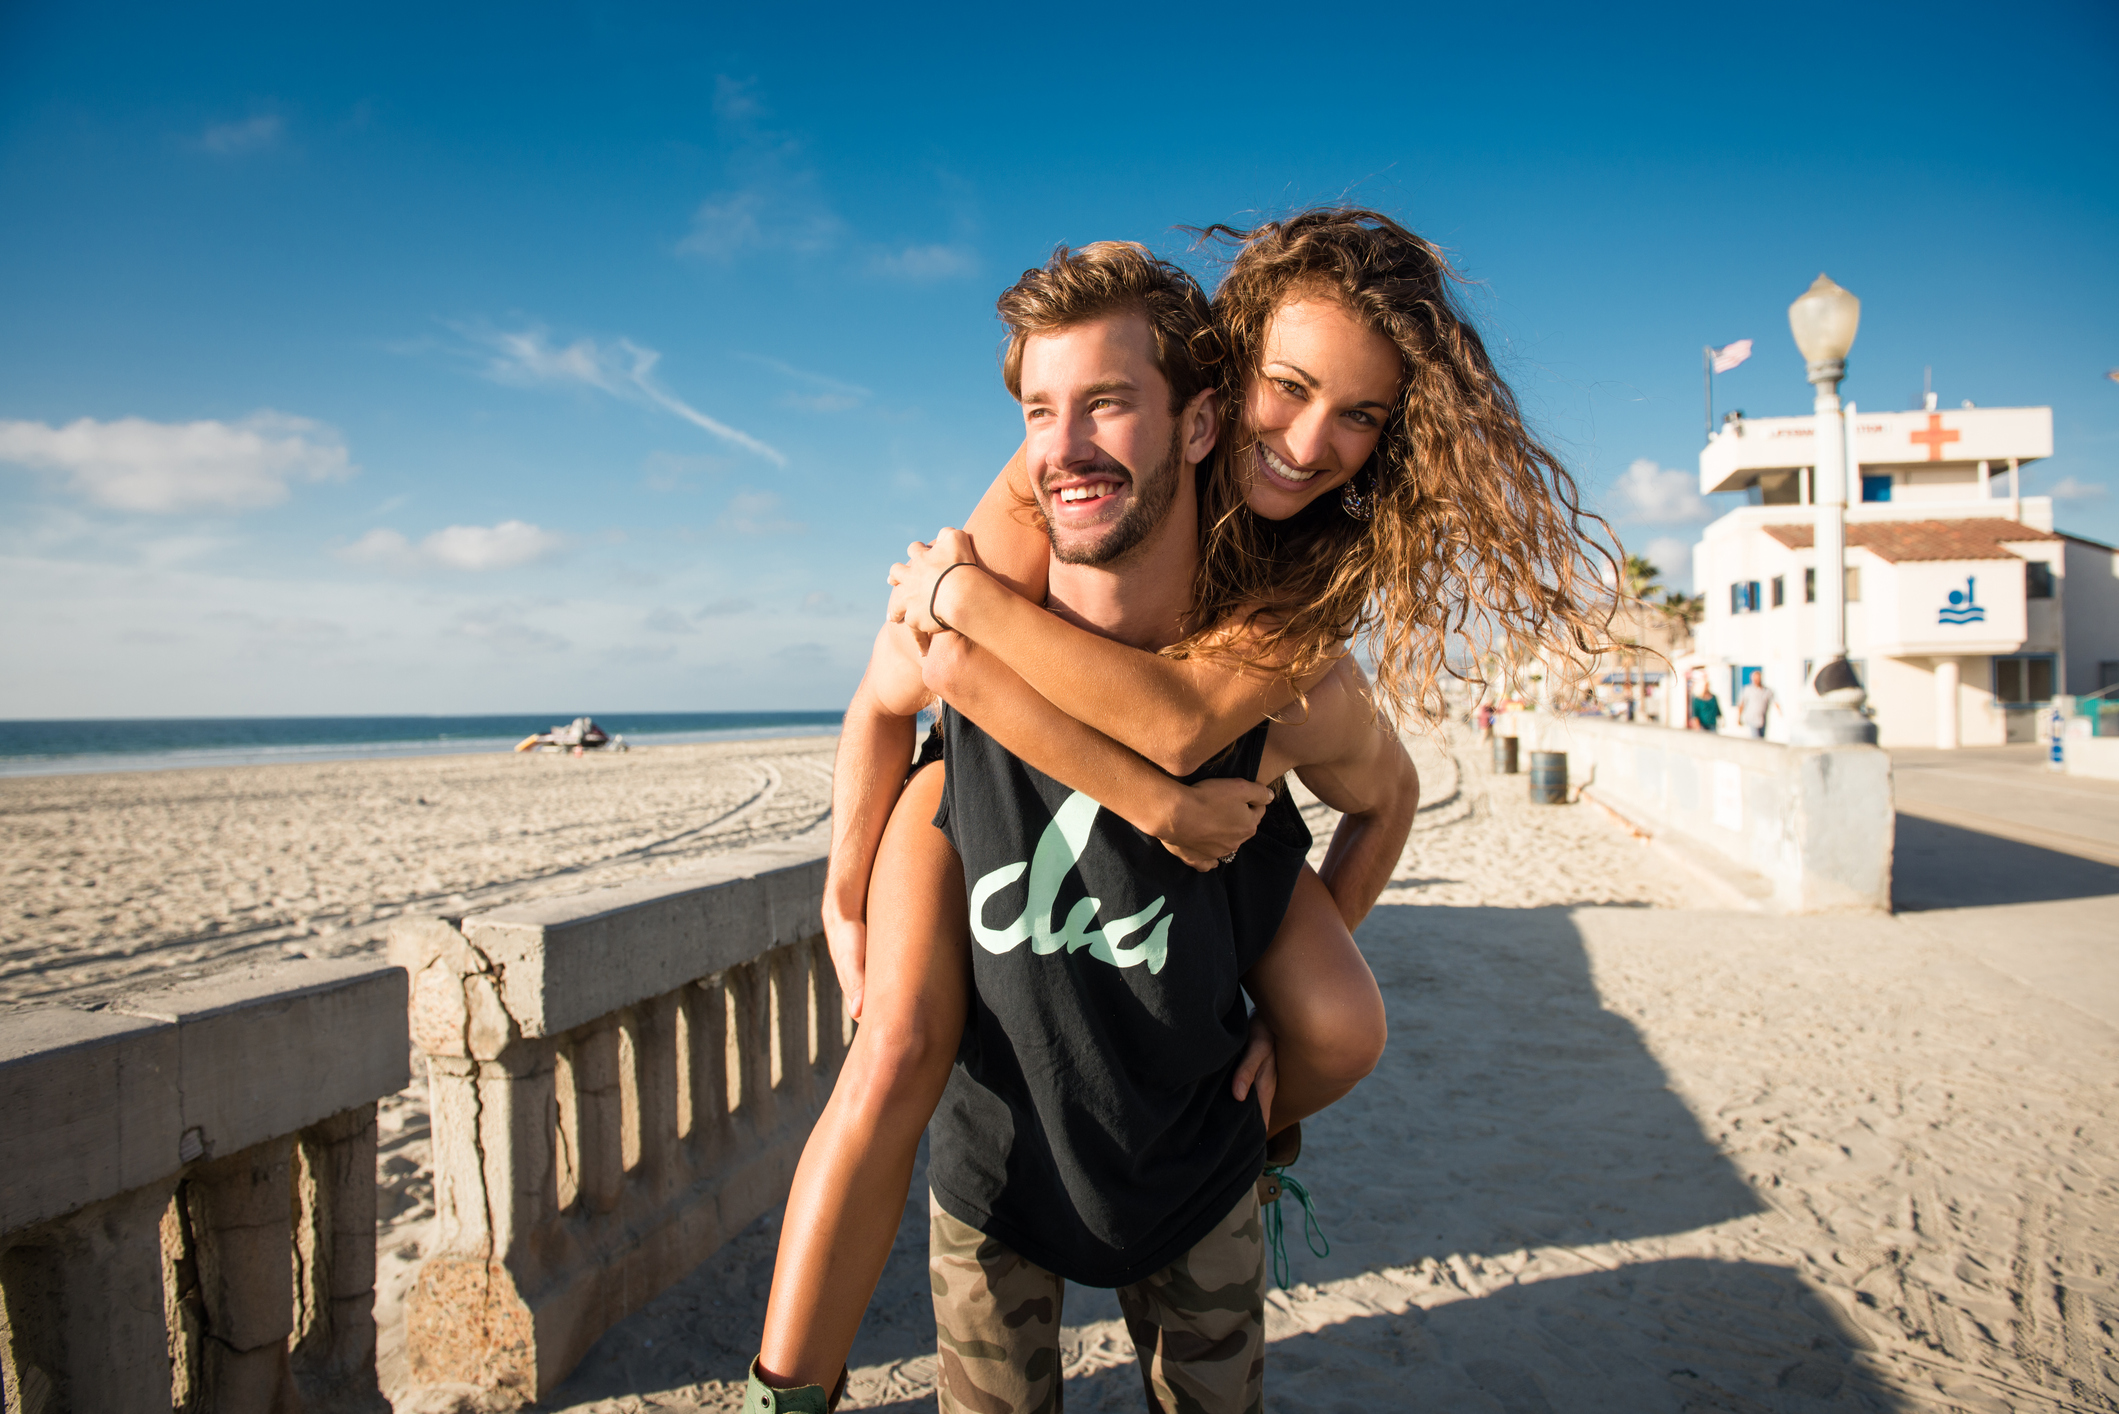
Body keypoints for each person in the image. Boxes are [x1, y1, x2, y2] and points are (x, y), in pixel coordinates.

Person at [750, 217, 1617, 1412]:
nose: (1310, 444)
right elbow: (903, 680)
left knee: (1334, 1022)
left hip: (1212, 774)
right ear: (1227, 376)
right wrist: (845, 882)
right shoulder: (1070, 451)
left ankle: (1240, 1153)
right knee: (894, 1046)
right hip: (1006, 785)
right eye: (1292, 388)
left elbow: (1156, 718)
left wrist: (953, 599)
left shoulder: (1306, 583)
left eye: (1360, 417)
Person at [1737, 669, 1775, 738]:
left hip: (1762, 719)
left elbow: (1774, 701)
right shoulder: (1748, 690)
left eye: (1758, 679)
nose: (1756, 681)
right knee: (1756, 738)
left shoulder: (1766, 691)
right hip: (1751, 719)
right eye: (1755, 679)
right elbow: (1742, 704)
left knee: (1761, 739)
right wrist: (1738, 717)